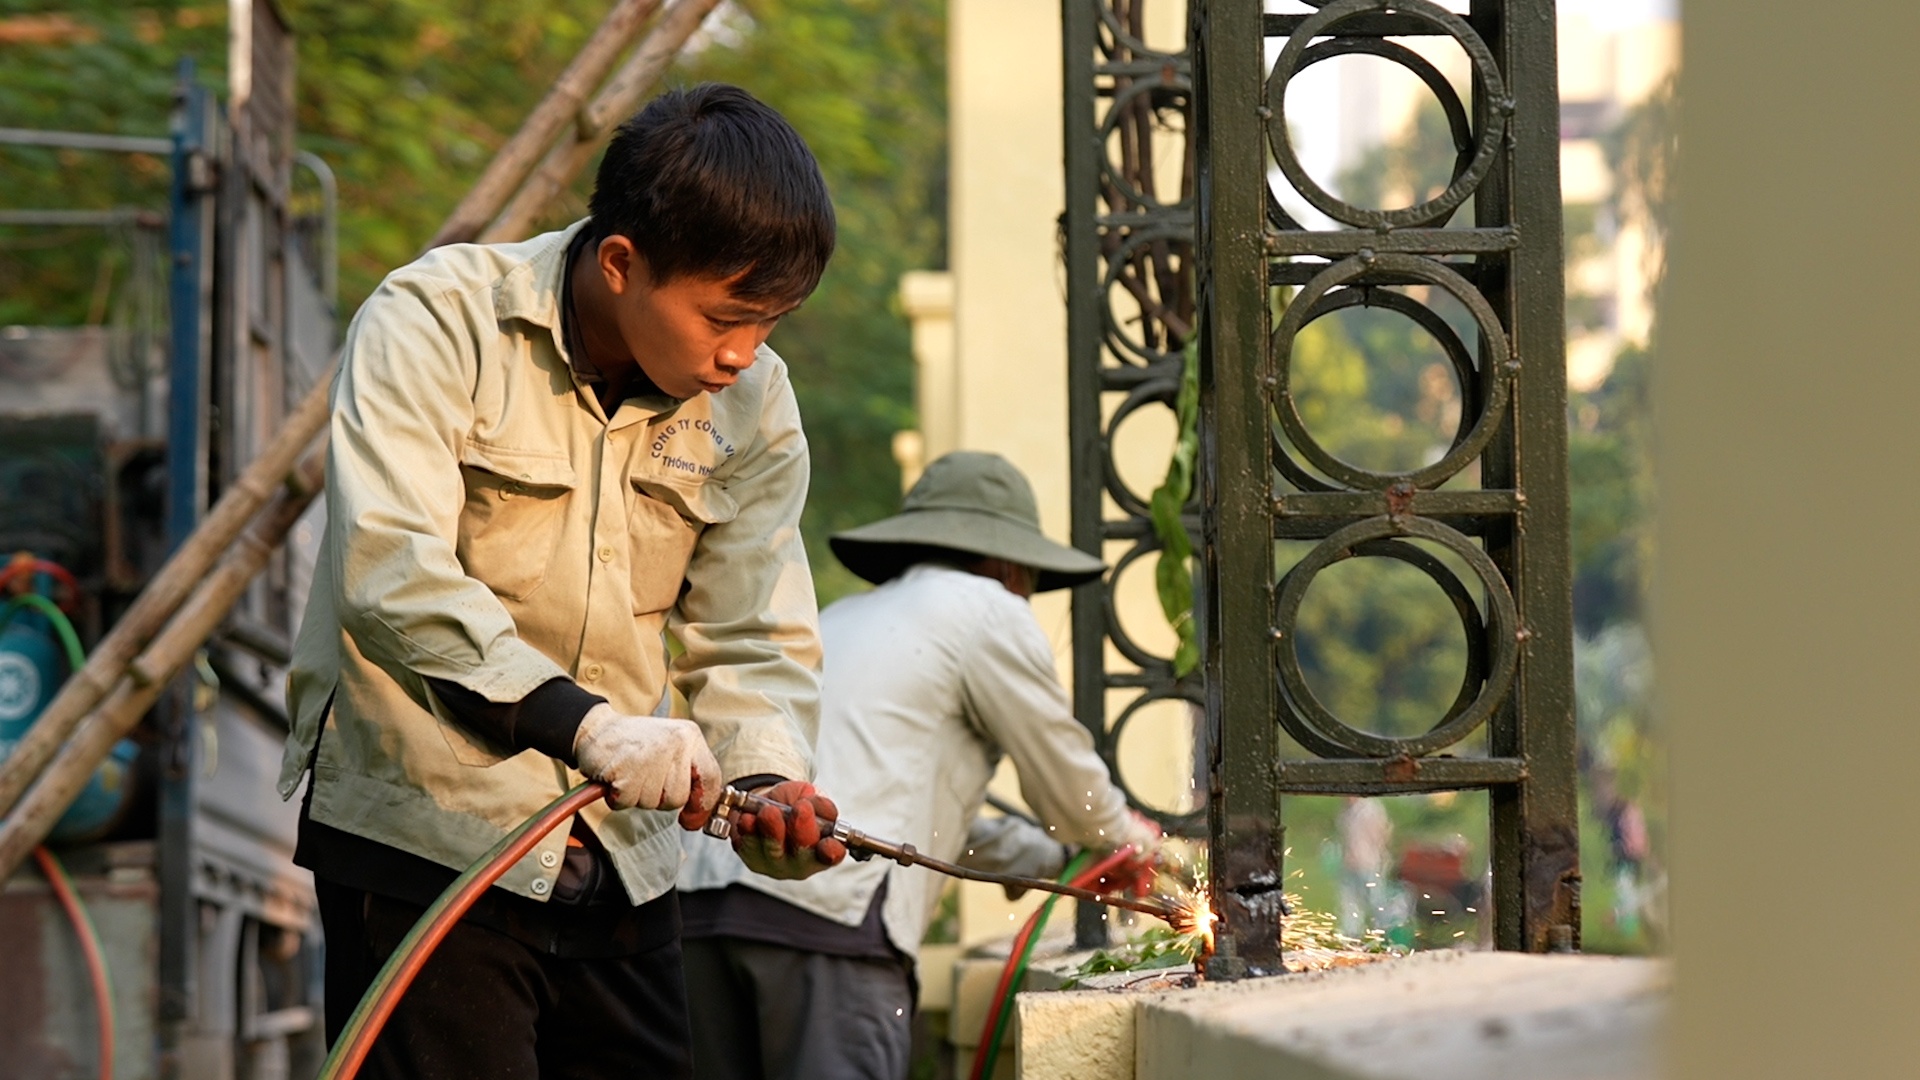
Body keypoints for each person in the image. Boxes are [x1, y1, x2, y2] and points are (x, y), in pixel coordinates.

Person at [275, 84, 847, 1080]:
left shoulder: (757, 403)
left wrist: (761, 785)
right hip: (426, 843)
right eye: (726, 316)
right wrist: (588, 726)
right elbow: (392, 572)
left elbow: (751, 633)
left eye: (771, 323)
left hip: (623, 865)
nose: (742, 354)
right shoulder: (435, 322)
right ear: (622, 263)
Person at [677, 451, 1162, 1080]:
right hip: (828, 924)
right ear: (1010, 565)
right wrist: (1128, 841)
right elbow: (1074, 797)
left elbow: (898, 810)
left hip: (702, 914)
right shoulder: (989, 609)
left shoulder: (844, 618)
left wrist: (1046, 862)